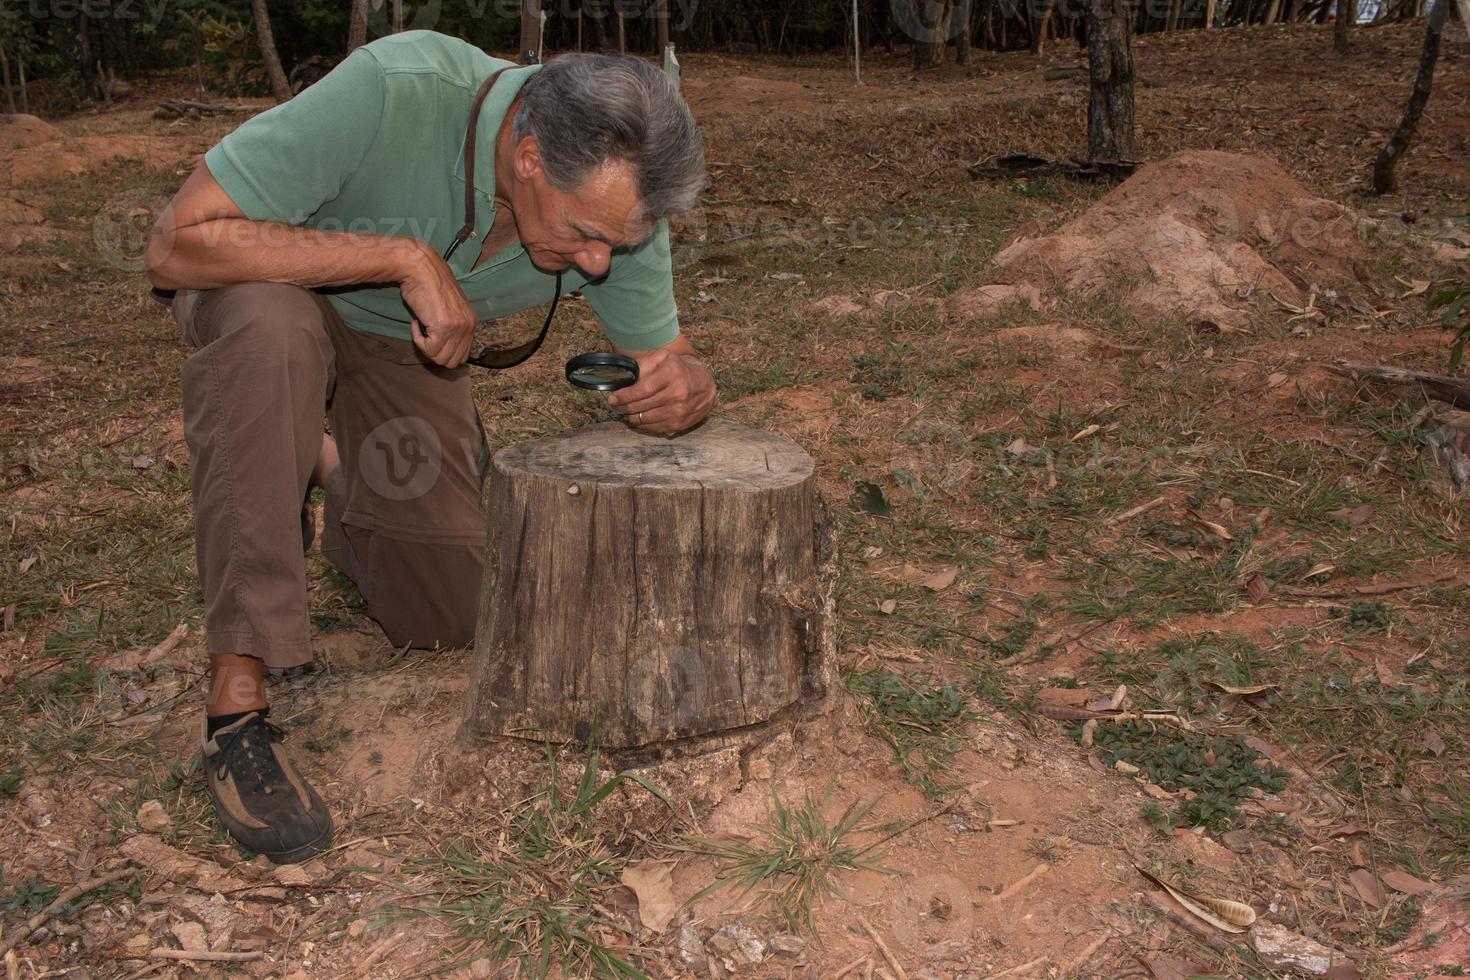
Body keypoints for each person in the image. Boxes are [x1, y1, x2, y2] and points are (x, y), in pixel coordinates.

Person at [144, 30, 715, 864]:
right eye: (586, 234)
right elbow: (174, 244)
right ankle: (236, 698)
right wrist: (397, 255)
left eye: (617, 244)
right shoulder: (394, 86)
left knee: (448, 606)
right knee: (275, 333)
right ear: (526, 155)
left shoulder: (619, 212)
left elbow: (673, 359)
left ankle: (315, 458)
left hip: (395, 349)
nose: (599, 261)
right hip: (263, 296)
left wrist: (688, 388)